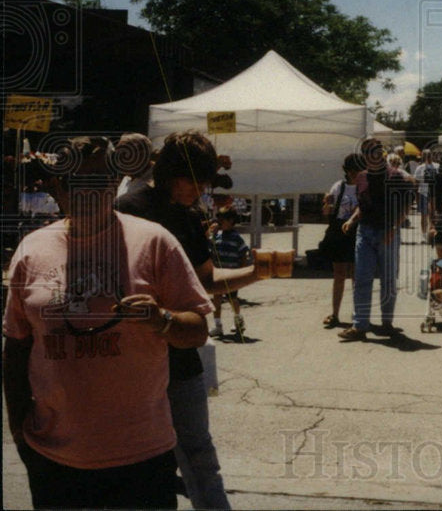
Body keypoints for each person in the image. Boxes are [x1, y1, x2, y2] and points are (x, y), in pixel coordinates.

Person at [3, 136, 212, 509]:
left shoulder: (154, 242)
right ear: (57, 186)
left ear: (114, 184)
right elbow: (16, 349)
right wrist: (21, 434)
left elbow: (197, 329)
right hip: (54, 460)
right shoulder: (30, 251)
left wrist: (161, 320)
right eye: (74, 182)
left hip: (141, 459)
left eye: (99, 182)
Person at [116, 130, 267, 510]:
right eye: (195, 181)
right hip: (132, 359)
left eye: (205, 183)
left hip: (181, 355)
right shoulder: (128, 207)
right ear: (170, 173)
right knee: (138, 464)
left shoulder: (190, 214)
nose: (200, 191)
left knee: (199, 454)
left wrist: (256, 273)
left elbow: (203, 281)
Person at [338, 138, 412, 341]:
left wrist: (394, 228)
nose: (375, 155)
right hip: (365, 231)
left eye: (377, 151)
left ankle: (387, 323)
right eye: (370, 152)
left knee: (388, 280)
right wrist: (352, 220)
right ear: (365, 156)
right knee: (362, 279)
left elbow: (406, 205)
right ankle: (359, 325)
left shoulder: (395, 176)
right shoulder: (362, 177)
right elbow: (363, 204)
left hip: (387, 233)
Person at [321, 153, 364, 329]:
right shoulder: (339, 186)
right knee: (339, 275)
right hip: (339, 233)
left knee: (356, 275)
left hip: (357, 232)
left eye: (357, 170)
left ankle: (357, 316)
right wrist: (326, 204)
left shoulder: (364, 187)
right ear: (346, 170)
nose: (354, 174)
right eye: (351, 170)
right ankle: (335, 314)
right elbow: (326, 212)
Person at [209, 206, 252, 338]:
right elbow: (210, 248)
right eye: (218, 219)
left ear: (231, 220)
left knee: (232, 298)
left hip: (232, 273)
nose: (219, 222)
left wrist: (242, 271)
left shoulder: (236, 237)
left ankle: (238, 321)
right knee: (216, 298)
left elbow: (244, 254)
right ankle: (217, 325)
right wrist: (212, 235)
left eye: (222, 220)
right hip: (218, 273)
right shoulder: (217, 235)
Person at [414, 149, 439, 241]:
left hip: (434, 194)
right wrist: (416, 197)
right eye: (426, 155)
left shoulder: (437, 167)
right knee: (424, 215)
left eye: (429, 155)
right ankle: (424, 234)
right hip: (423, 193)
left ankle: (432, 232)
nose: (428, 157)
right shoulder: (419, 168)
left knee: (433, 214)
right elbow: (416, 183)